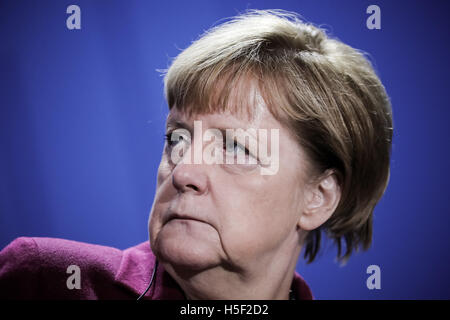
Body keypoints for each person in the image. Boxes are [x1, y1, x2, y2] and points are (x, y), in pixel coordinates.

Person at [0, 9, 392, 300]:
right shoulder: (43, 281)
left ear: (317, 198)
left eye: (236, 147)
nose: (184, 171)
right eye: (177, 140)